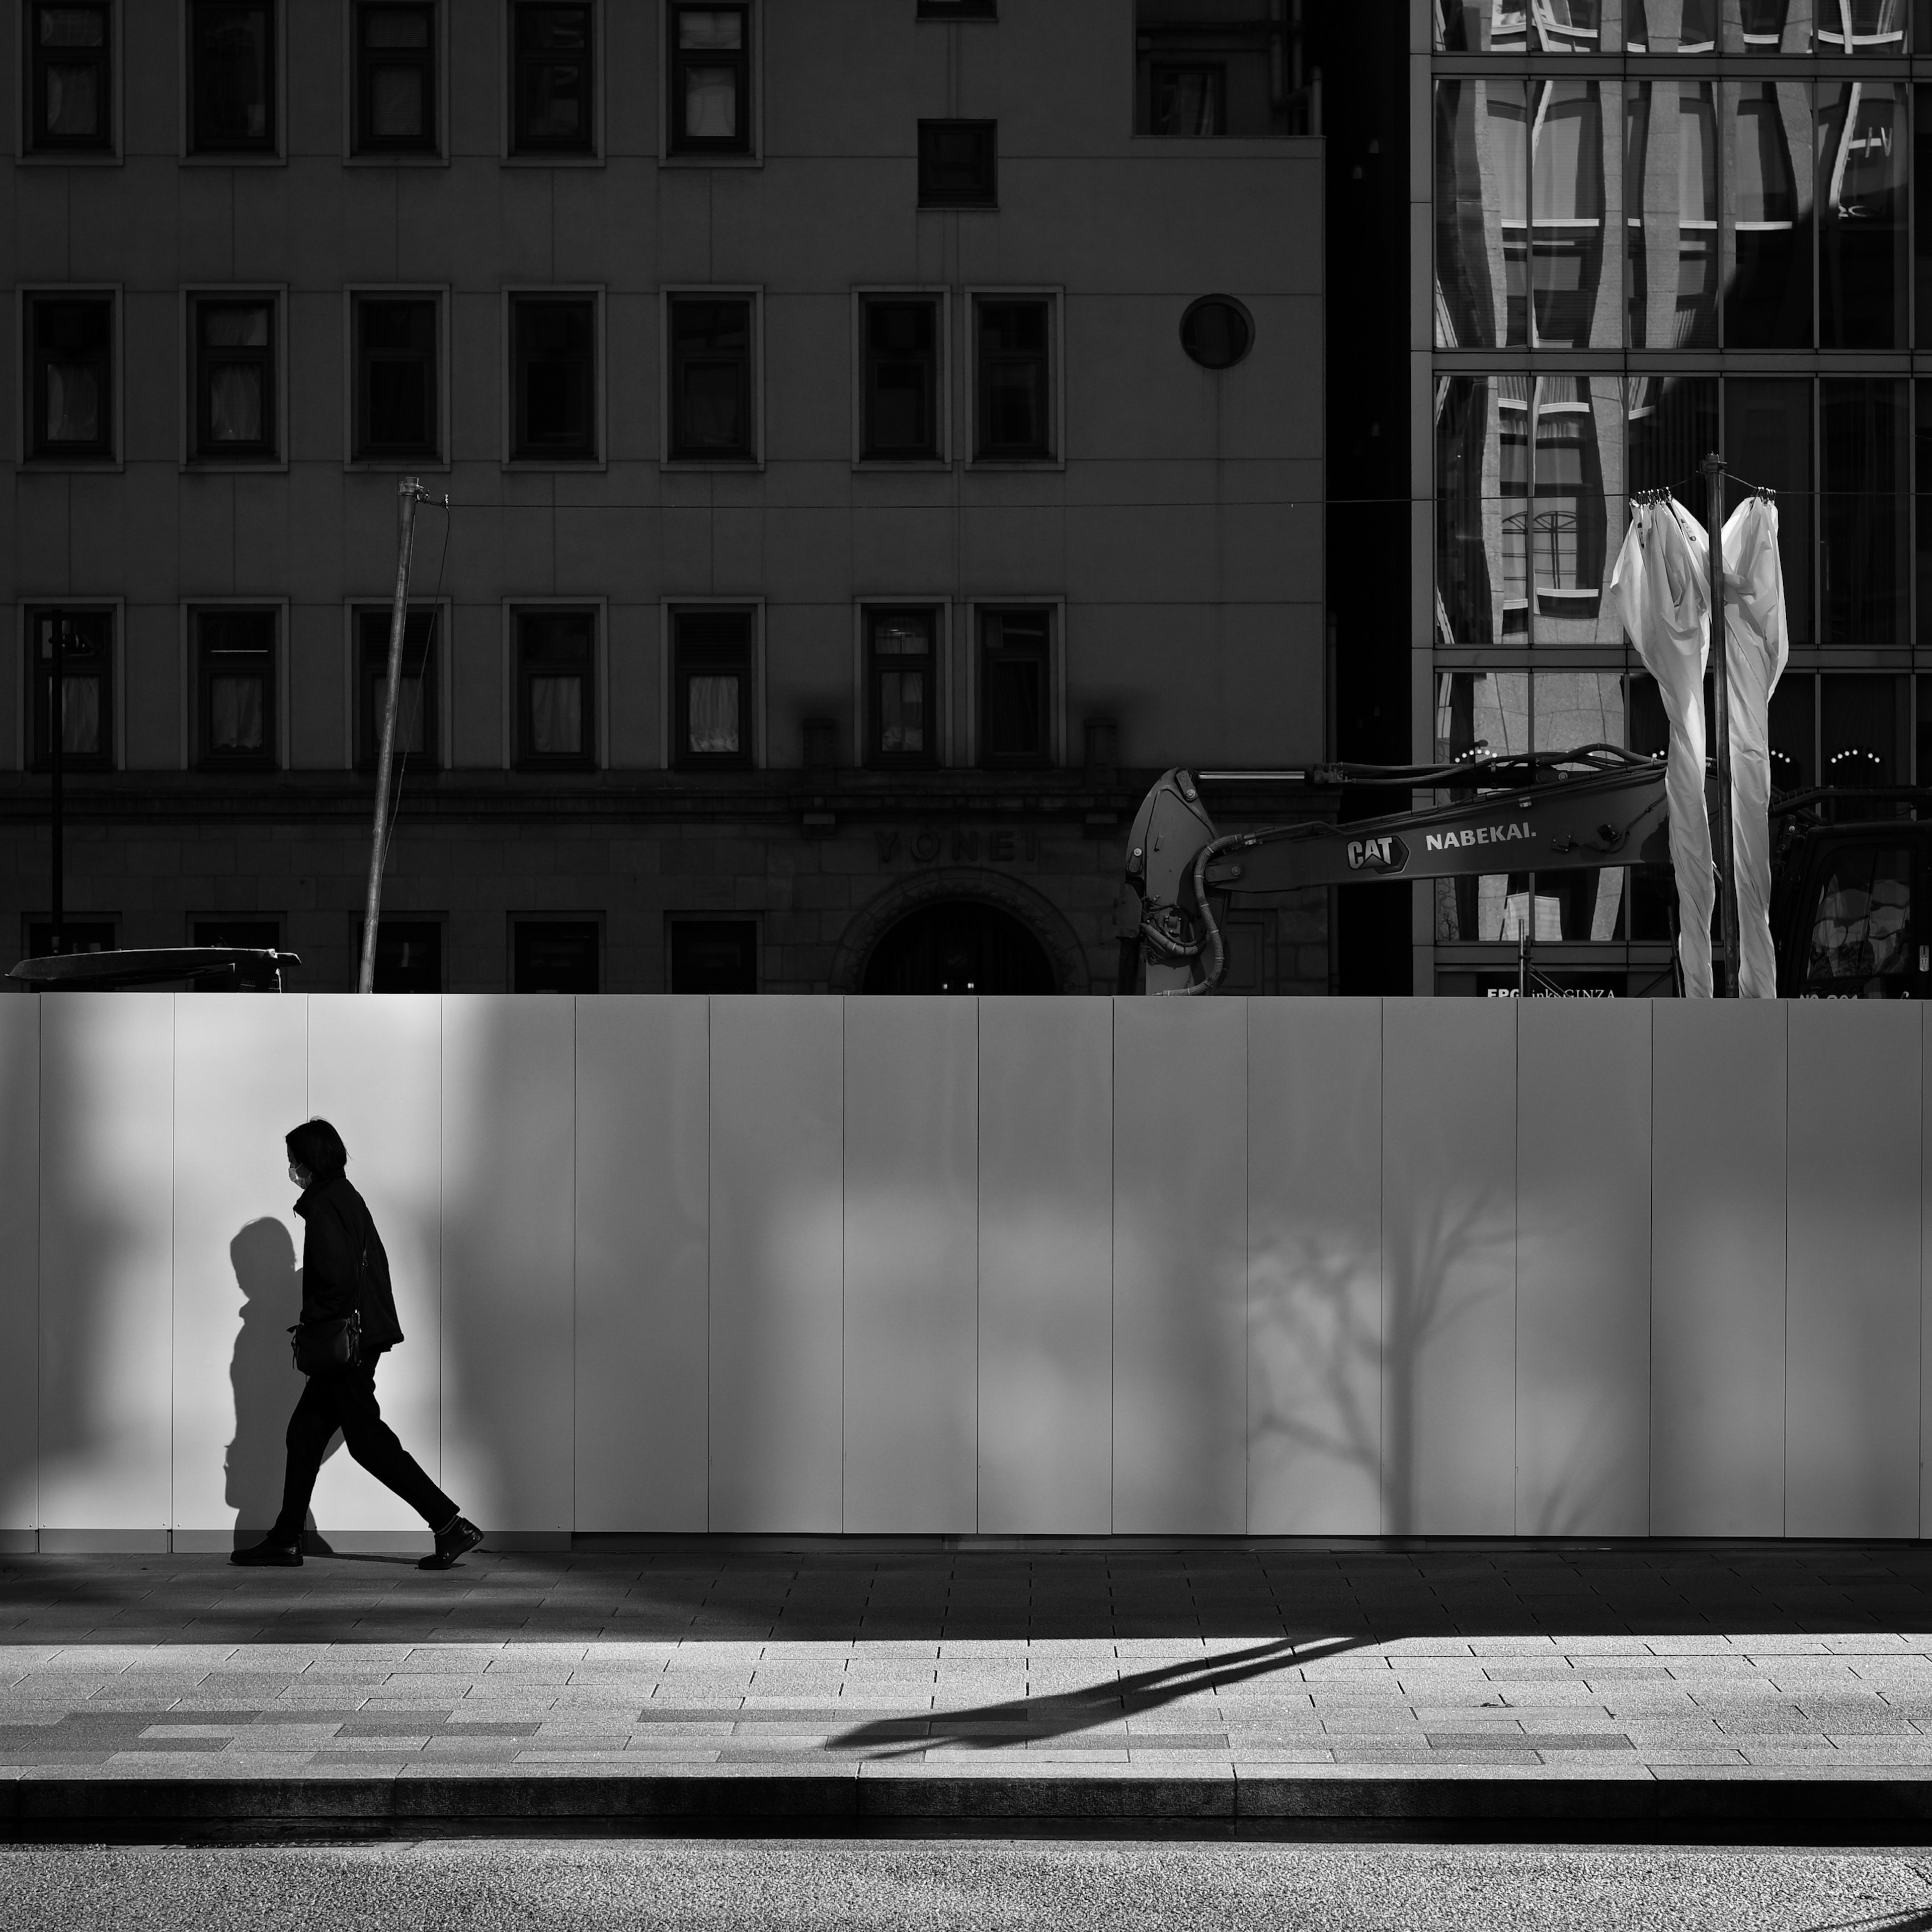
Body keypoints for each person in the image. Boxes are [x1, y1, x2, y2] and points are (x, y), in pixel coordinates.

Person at [231, 1118, 483, 1571]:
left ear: (310, 1161)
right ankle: (287, 1537)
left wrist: (315, 1327)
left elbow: (339, 1280)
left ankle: (449, 1524)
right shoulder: (345, 1198)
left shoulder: (326, 1205)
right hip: (360, 1341)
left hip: (346, 1348)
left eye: (293, 1161)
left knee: (367, 1442)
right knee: (306, 1433)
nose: (291, 1169)